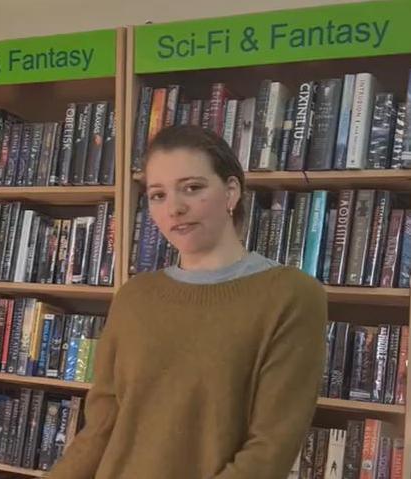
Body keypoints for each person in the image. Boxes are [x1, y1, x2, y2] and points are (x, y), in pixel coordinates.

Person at [48, 125, 328, 479]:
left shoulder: (292, 295)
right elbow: (101, 427)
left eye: (192, 188)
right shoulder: (136, 296)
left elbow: (269, 450)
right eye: (158, 195)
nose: (175, 208)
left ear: (231, 192)